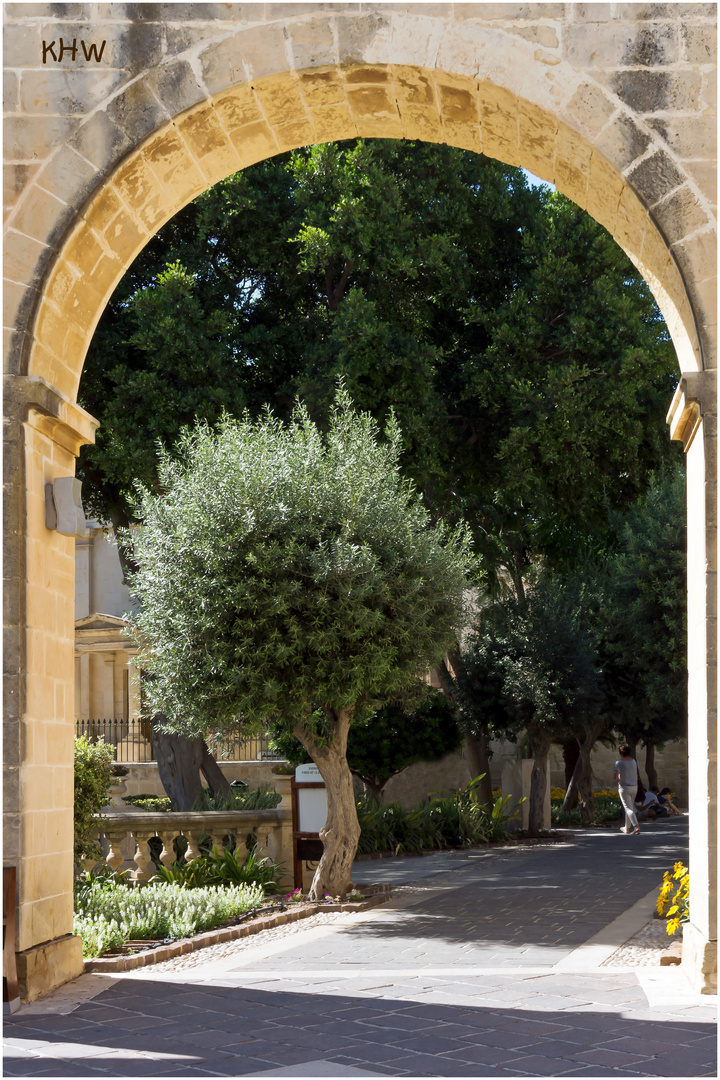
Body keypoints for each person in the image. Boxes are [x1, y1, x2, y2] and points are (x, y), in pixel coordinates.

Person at [613, 744, 640, 835]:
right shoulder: (634, 761)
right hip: (634, 787)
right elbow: (638, 772)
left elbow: (615, 776)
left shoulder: (619, 762)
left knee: (628, 808)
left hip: (624, 787)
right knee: (629, 807)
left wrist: (619, 776)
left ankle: (636, 826)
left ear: (620, 753)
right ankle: (627, 828)